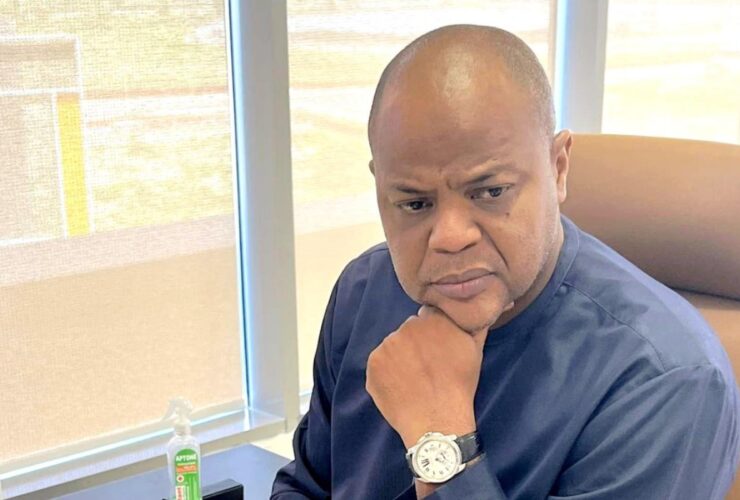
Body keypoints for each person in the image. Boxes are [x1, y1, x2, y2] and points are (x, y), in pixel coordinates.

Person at [271, 25, 740, 499]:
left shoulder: (667, 382)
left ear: (558, 168)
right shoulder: (363, 291)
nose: (450, 238)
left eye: (491, 192)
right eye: (414, 203)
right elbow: (307, 485)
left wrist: (440, 438)